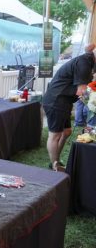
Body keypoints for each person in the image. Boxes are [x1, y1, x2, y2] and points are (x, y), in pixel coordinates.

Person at [43, 43, 96, 171]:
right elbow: (81, 92)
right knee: (54, 135)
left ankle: (56, 160)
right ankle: (54, 165)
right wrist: (93, 102)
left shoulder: (89, 62)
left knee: (66, 132)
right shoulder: (84, 63)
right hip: (56, 101)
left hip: (64, 101)